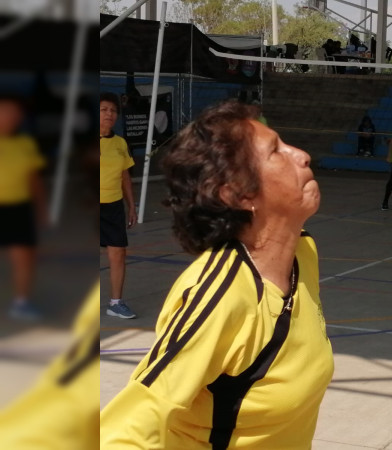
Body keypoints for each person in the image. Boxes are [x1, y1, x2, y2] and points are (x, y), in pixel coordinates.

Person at [100, 101, 334, 448]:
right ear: (237, 193)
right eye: (276, 152)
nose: (301, 155)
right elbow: (132, 424)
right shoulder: (222, 295)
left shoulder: (303, 254)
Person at [0, 94, 46, 320]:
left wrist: (41, 210)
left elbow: (34, 180)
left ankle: (21, 302)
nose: (9, 118)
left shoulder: (25, 143)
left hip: (19, 209)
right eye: (4, 112)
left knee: (23, 258)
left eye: (14, 113)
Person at [100, 92, 138, 319]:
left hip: (113, 205)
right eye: (104, 109)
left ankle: (115, 303)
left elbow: (125, 177)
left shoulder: (120, 143)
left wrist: (131, 206)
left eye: (113, 111)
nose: (109, 114)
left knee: (118, 254)